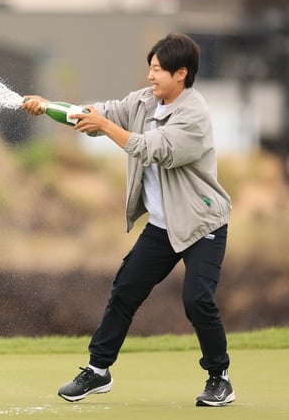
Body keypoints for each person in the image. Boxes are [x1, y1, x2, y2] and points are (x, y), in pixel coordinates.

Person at [21, 32, 235, 407]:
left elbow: (151, 149)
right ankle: (98, 371)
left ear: (181, 73)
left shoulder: (194, 115)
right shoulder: (142, 101)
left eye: (157, 70)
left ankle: (219, 377)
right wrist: (49, 106)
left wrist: (104, 128)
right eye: (150, 68)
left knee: (197, 300)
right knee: (124, 292)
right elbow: (93, 114)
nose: (150, 76)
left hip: (202, 225)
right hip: (163, 227)